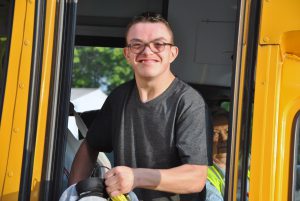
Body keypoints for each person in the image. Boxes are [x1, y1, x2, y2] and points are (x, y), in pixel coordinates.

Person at [69, 11, 212, 201]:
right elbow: (90, 145)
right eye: (137, 45)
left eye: (158, 44)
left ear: (173, 53)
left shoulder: (189, 103)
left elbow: (196, 178)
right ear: (127, 54)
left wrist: (136, 177)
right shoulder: (119, 97)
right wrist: (72, 192)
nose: (147, 51)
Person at [205, 109, 228, 201]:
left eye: (228, 131)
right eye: (216, 133)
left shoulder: (250, 163)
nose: (224, 139)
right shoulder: (203, 176)